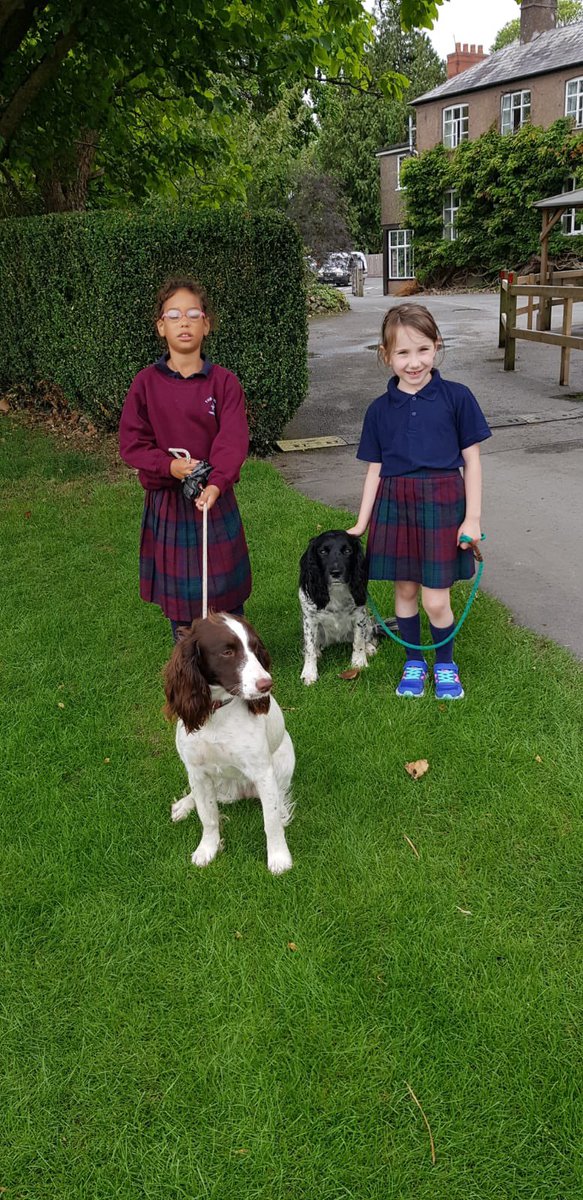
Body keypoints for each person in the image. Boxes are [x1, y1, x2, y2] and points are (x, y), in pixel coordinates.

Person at [347, 303, 491, 700]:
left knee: (435, 597)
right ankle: (414, 661)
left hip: (443, 502)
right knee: (406, 592)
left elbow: (472, 461)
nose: (414, 363)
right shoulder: (378, 410)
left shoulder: (457, 398)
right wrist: (361, 523)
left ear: (437, 346)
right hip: (395, 504)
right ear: (385, 355)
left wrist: (472, 517)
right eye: (403, 353)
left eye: (423, 350)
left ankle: (444, 664)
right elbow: (374, 469)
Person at [119, 277, 251, 640]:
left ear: (206, 324)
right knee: (181, 596)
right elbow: (132, 442)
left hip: (213, 498)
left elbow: (233, 441)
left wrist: (217, 483)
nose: (184, 322)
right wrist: (170, 466)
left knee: (223, 583)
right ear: (161, 327)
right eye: (174, 315)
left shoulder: (224, 383)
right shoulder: (145, 384)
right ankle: (187, 650)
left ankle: (232, 648)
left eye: (193, 314)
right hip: (169, 503)